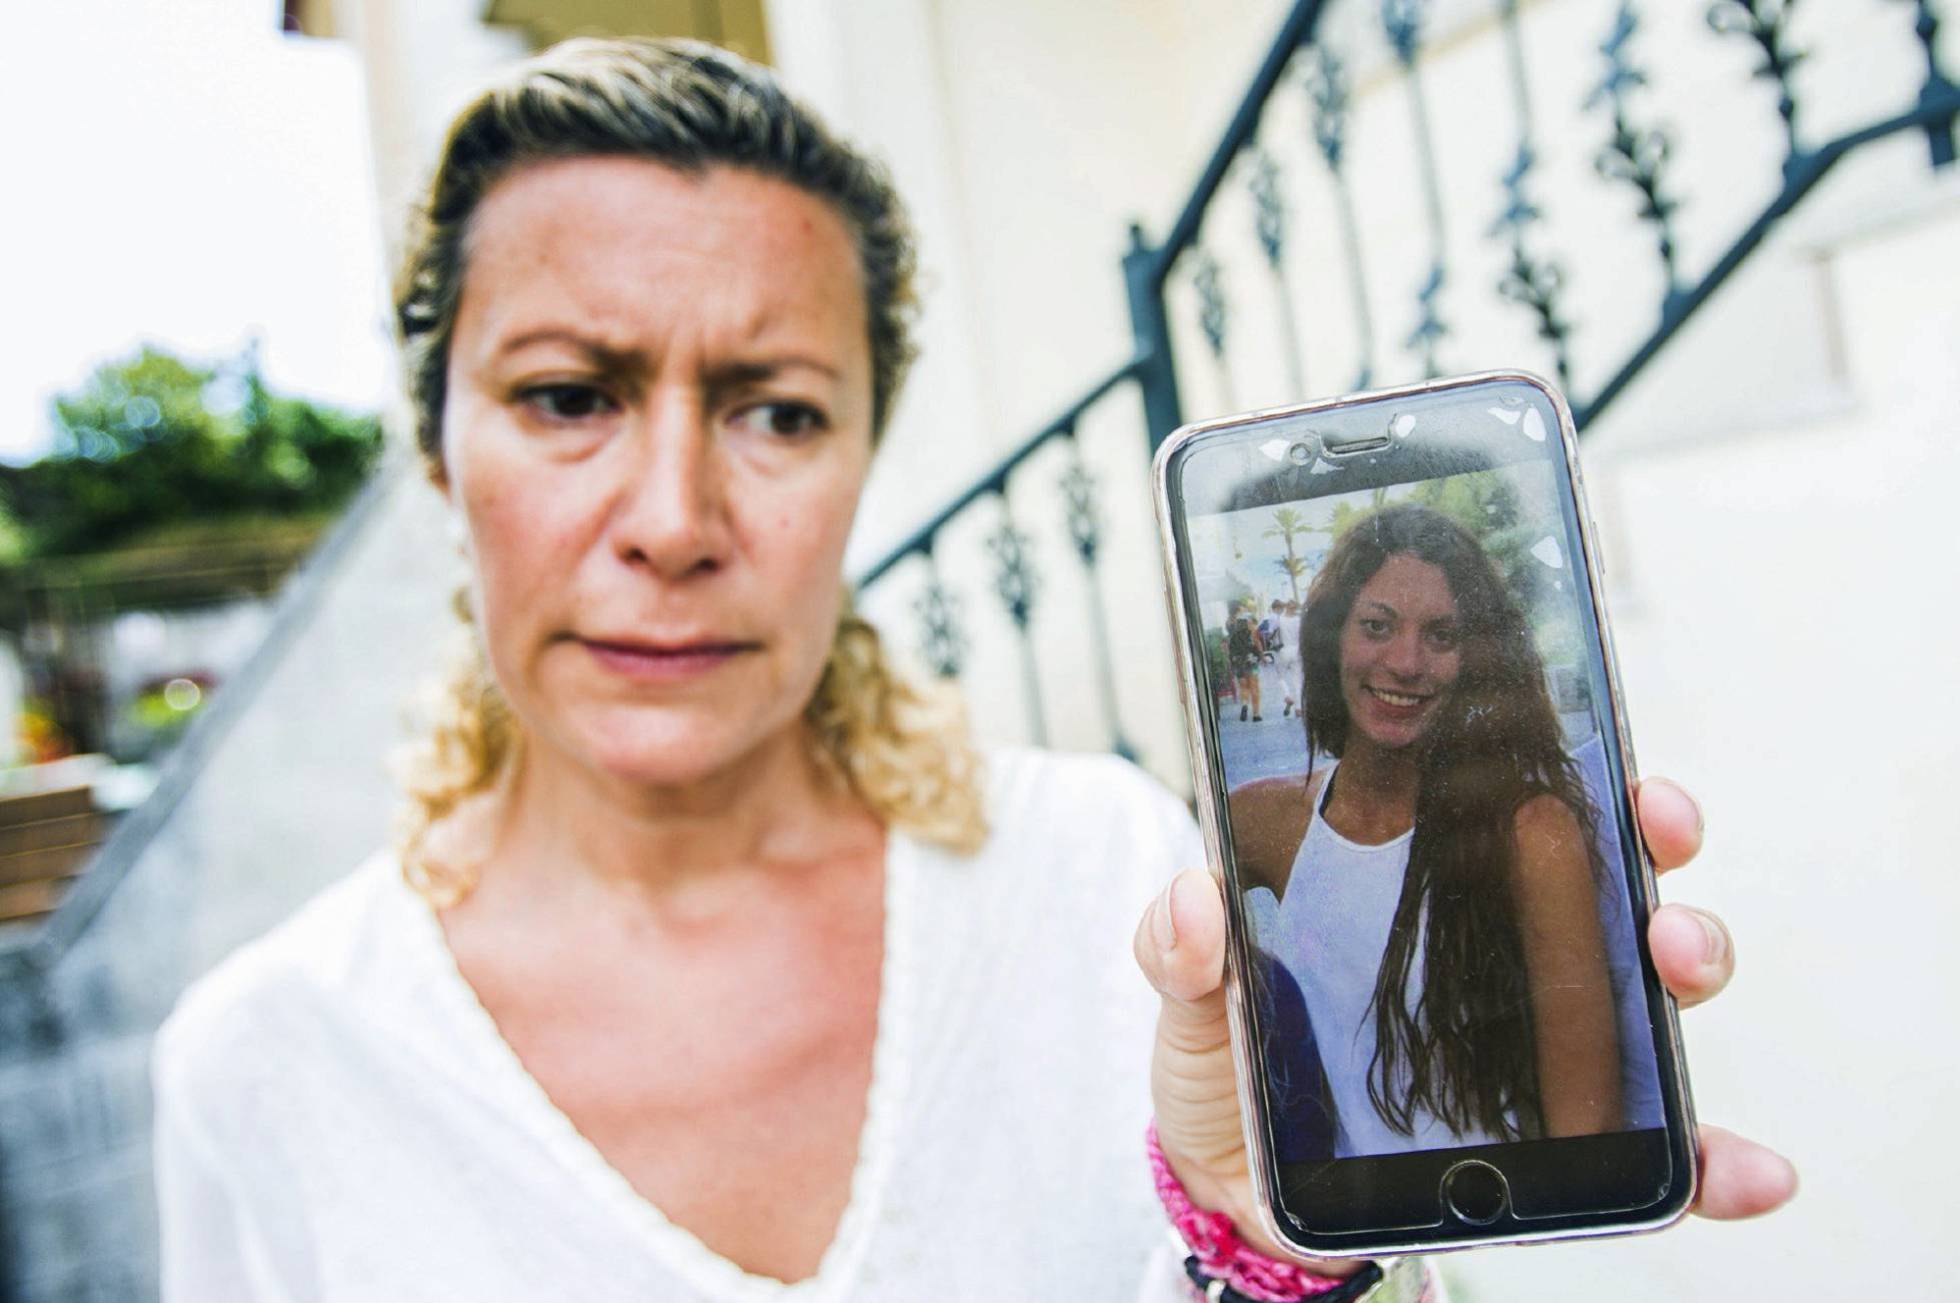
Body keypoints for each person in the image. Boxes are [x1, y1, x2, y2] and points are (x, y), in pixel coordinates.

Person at [150, 37, 1792, 1303]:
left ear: (865, 447)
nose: (672, 517)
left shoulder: (1114, 879)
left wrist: (1264, 1254)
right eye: (569, 393)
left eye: (777, 408)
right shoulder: (267, 1060)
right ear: (434, 447)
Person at [1233, 504, 1625, 1157]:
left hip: (1514, 1221)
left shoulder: (1531, 832)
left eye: (1442, 635)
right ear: (1333, 637)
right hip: (1346, 1233)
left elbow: (1588, 1139)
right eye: (1377, 626)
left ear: (1477, 656)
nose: (1406, 661)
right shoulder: (1263, 822)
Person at [1228, 608, 1265, 722]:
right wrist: (1261, 657)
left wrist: (1233, 664)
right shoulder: (1251, 634)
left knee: (1244, 687)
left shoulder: (1233, 637)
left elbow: (1231, 653)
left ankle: (1244, 704)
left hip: (1239, 665)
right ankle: (1256, 714)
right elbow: (1258, 647)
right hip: (1251, 663)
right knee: (1255, 688)